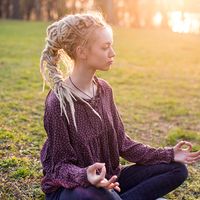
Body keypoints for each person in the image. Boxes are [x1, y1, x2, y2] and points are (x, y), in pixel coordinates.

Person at [39, 11, 200, 200]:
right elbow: (59, 167)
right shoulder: (58, 102)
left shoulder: (104, 90)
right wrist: (86, 175)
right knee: (102, 196)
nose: (112, 53)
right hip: (75, 188)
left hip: (111, 181)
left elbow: (123, 144)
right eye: (105, 47)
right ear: (82, 51)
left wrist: (169, 154)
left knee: (177, 169)